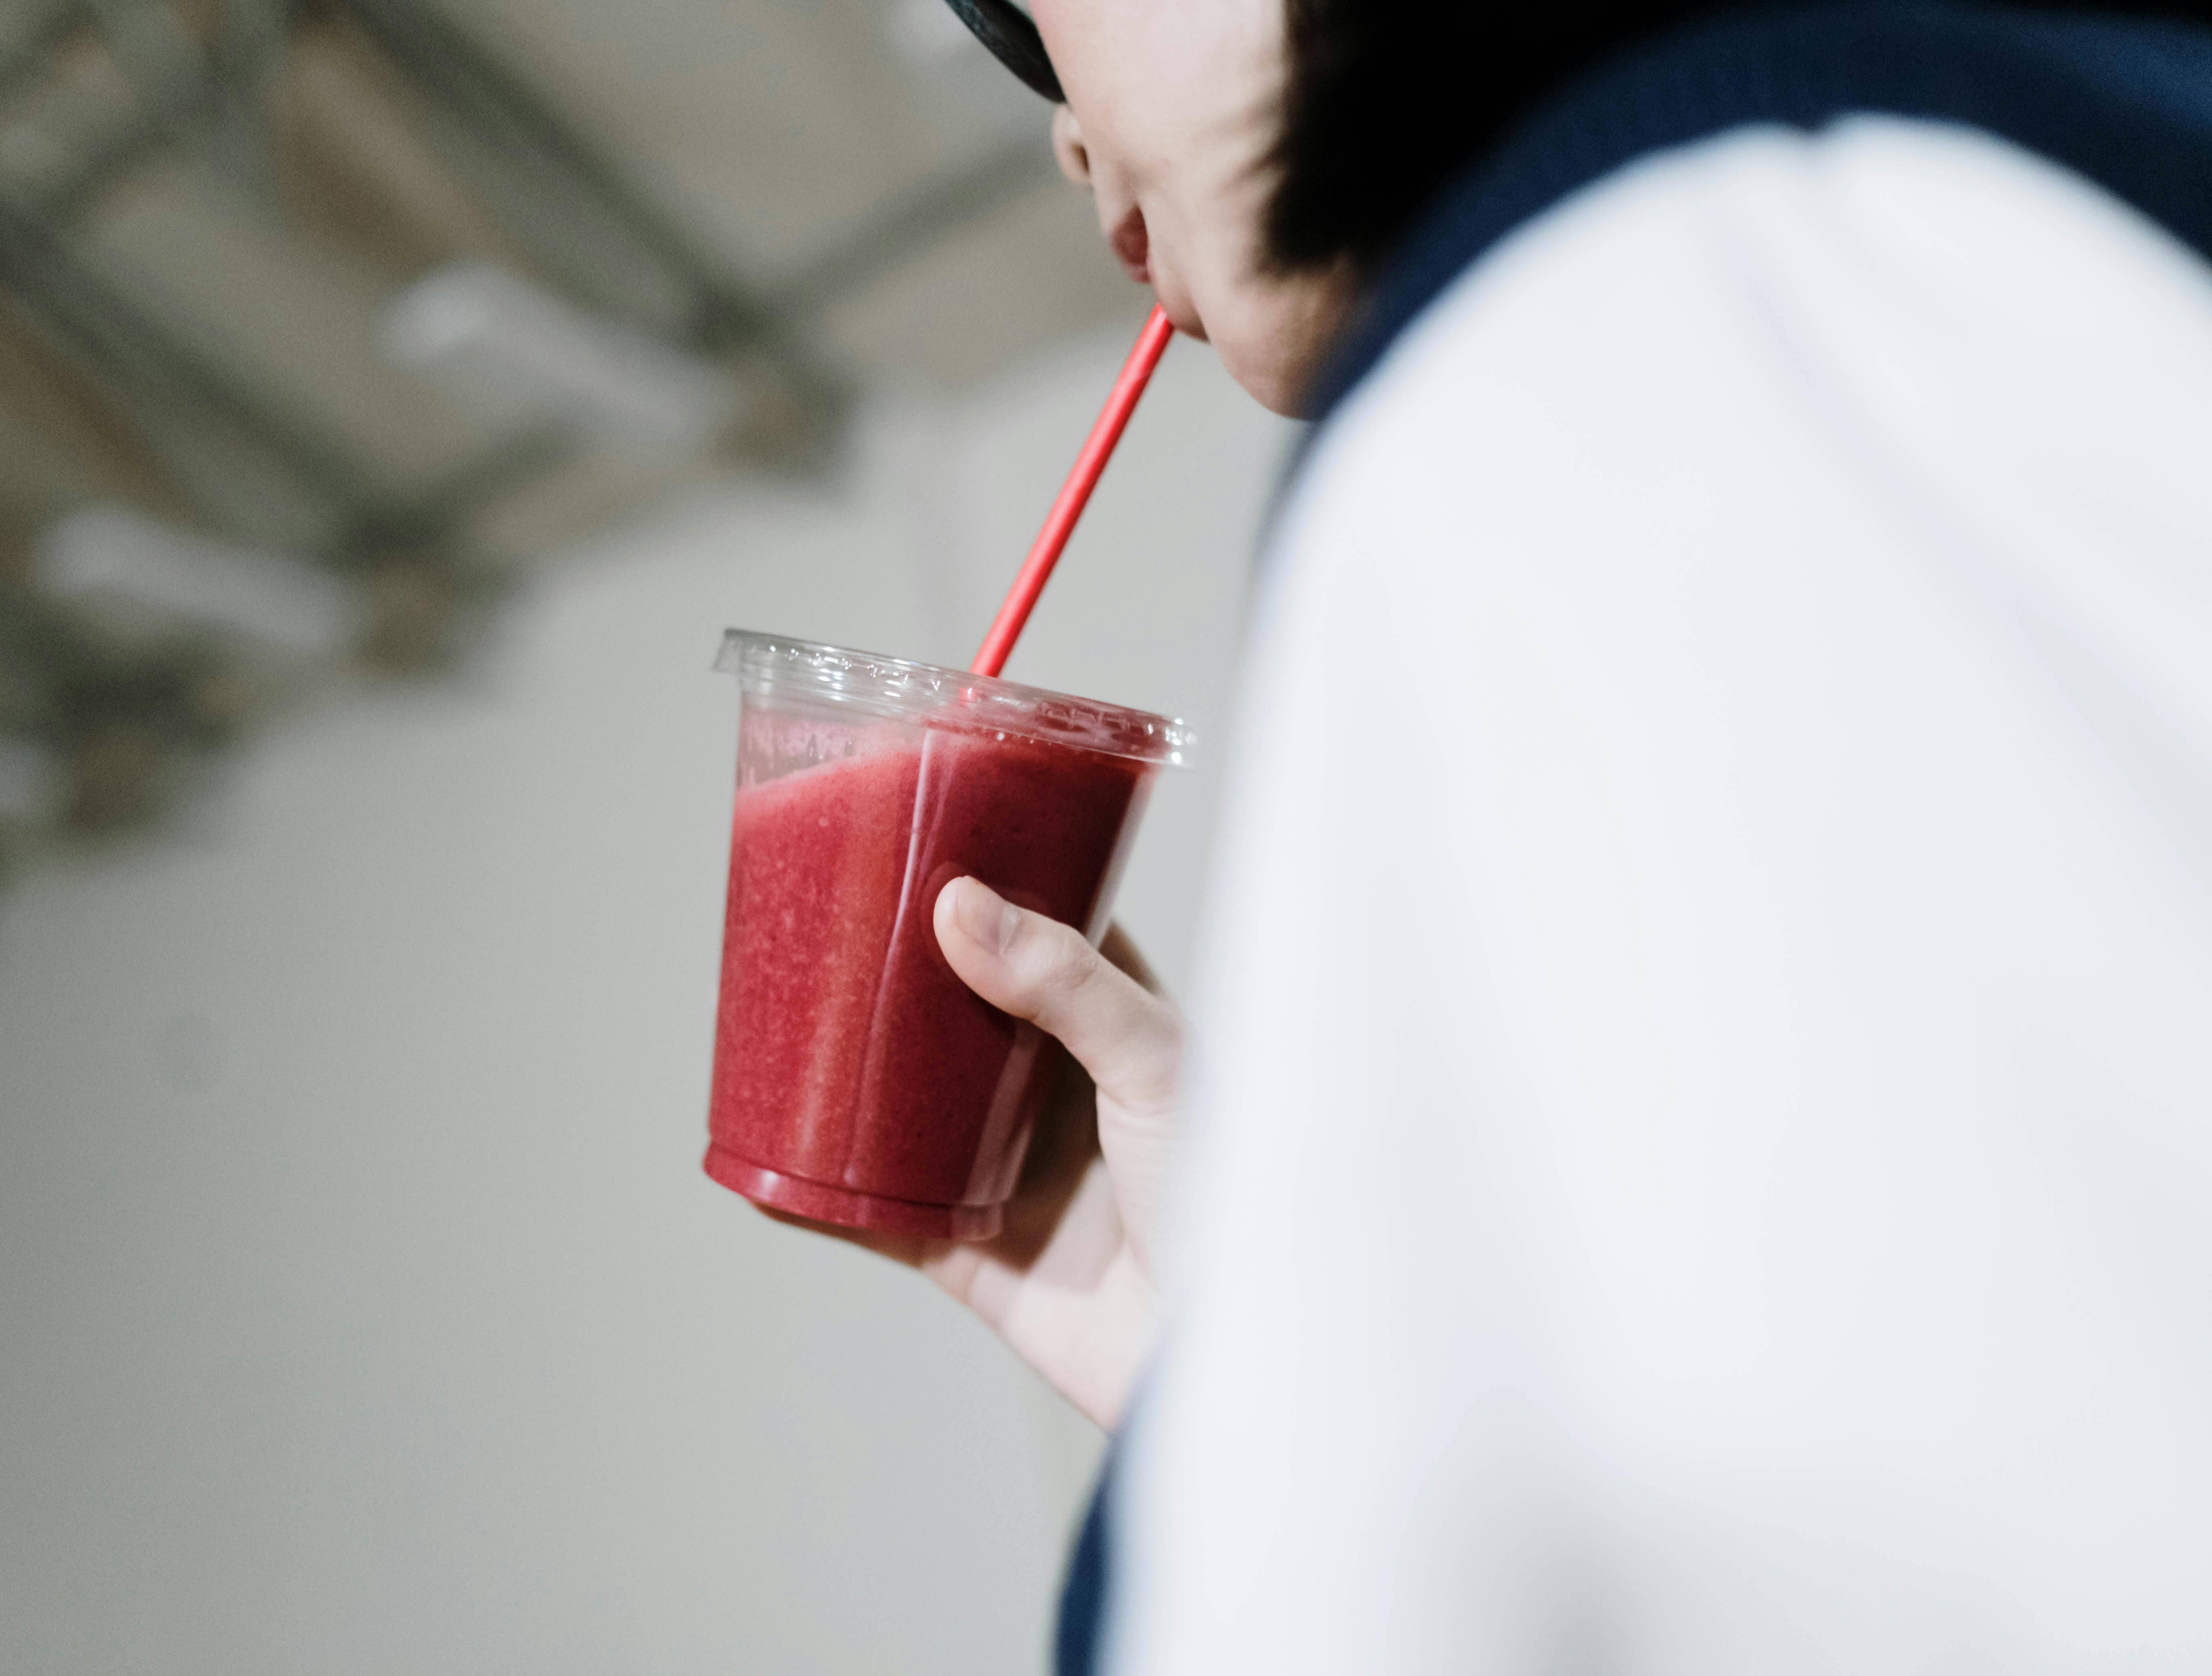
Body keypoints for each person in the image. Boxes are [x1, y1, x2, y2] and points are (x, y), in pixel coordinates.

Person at [809, 2, 2212, 1670]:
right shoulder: (1937, 196)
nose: (1065, 131)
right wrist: (1282, 1390)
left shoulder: (1637, 333)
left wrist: (1291, 1520)